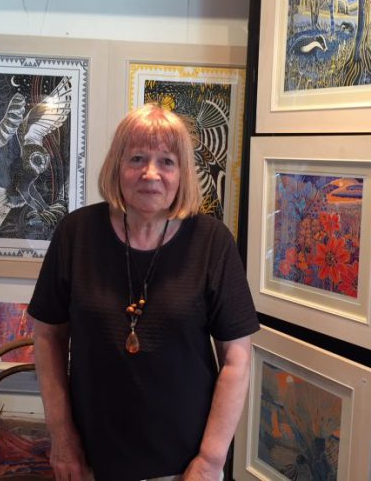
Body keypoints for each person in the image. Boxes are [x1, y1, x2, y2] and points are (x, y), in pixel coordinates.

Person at [28, 103, 259, 481]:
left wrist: (211, 460)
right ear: (116, 166)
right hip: (90, 461)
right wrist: (62, 439)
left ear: (182, 173)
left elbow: (237, 359)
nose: (151, 173)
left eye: (167, 161)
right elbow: (47, 337)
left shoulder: (212, 242)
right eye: (137, 158)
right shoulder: (75, 233)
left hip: (187, 466)